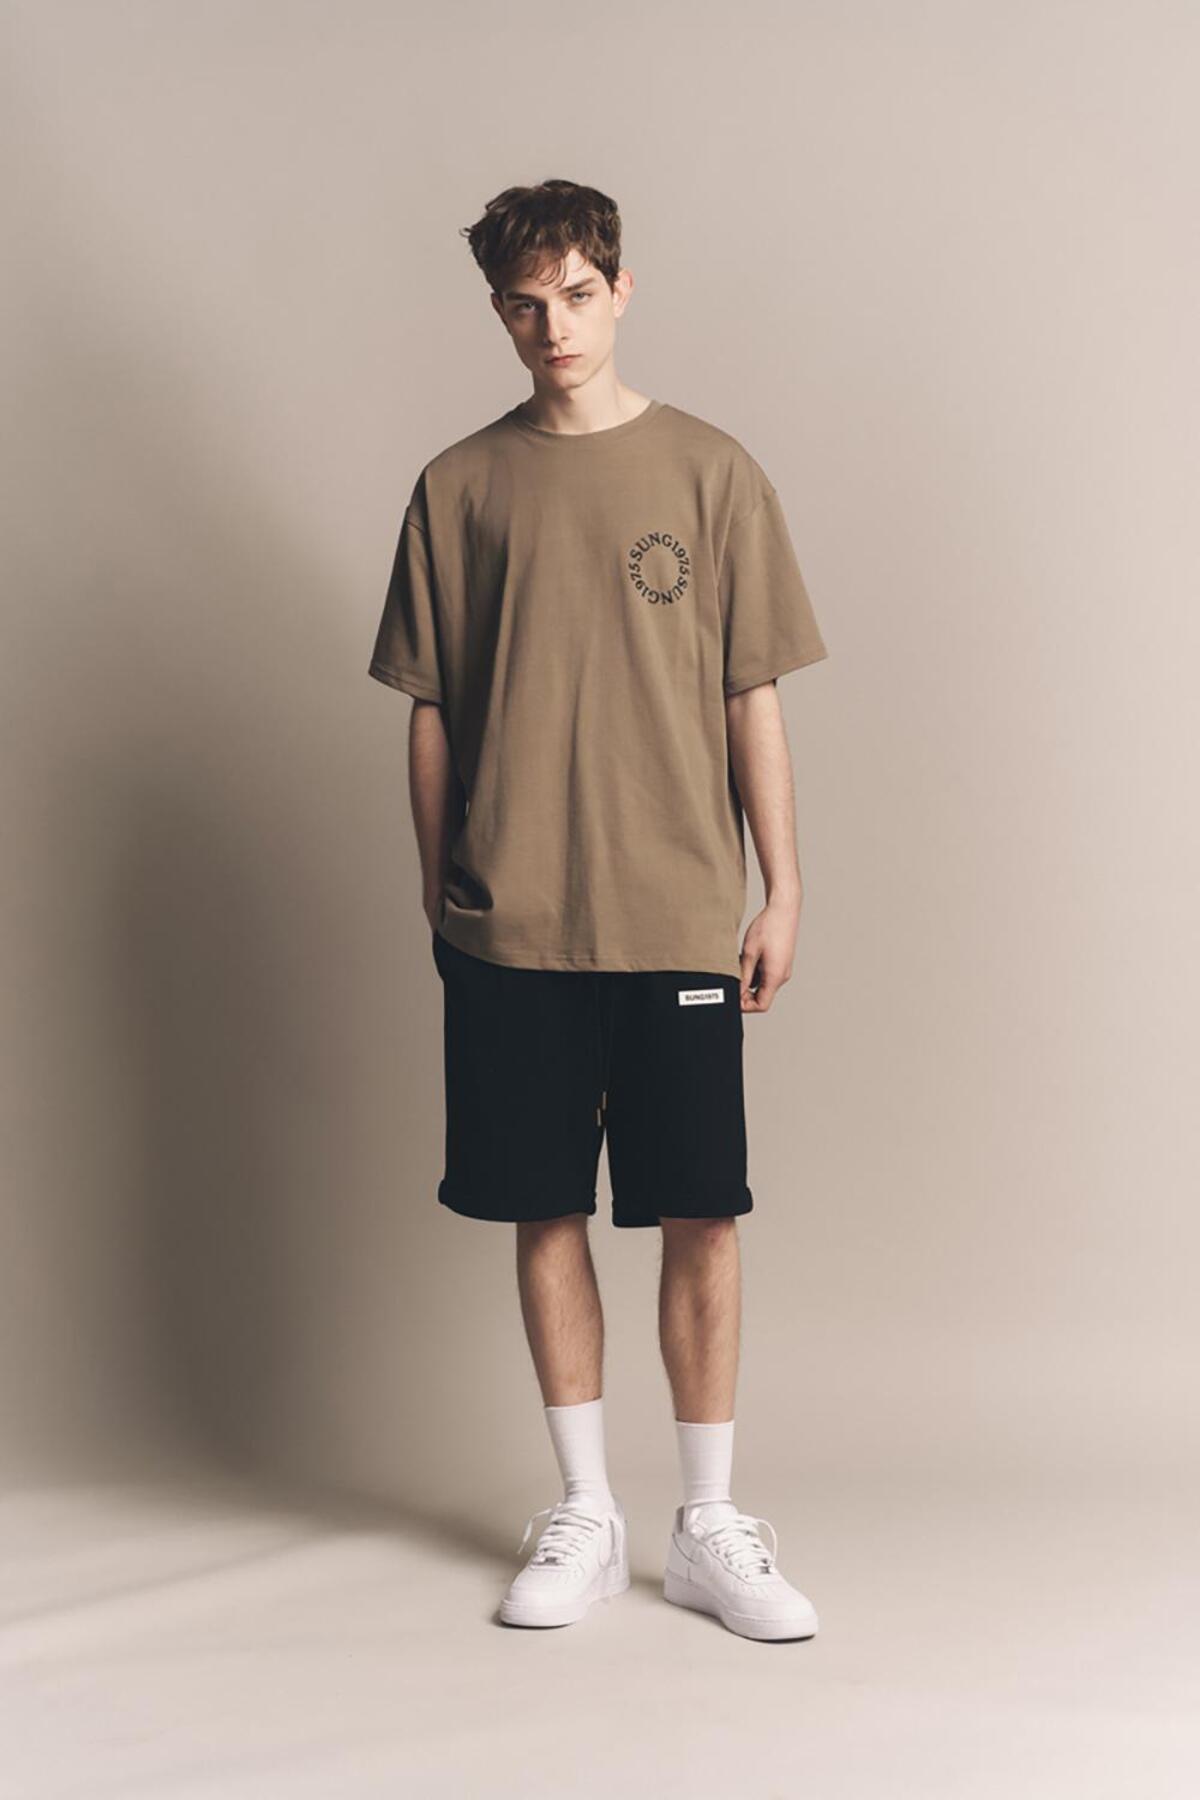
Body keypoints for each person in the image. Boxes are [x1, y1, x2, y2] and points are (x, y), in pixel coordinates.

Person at [368, 179, 828, 1642]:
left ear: (620, 290)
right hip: (512, 923)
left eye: (575, 295)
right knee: (543, 1205)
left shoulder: (712, 472)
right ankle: (585, 1509)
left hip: (680, 910)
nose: (552, 327)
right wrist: (442, 891)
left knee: (702, 1210)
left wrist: (784, 886)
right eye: (524, 304)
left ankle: (708, 1526)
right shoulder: (458, 488)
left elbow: (750, 691)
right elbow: (430, 709)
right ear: (499, 312)